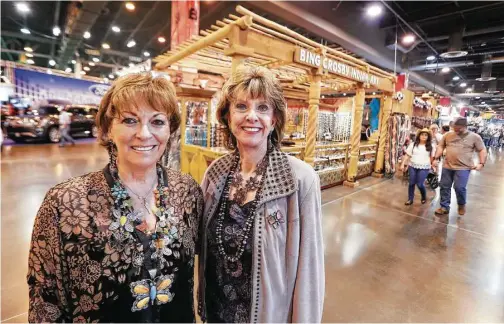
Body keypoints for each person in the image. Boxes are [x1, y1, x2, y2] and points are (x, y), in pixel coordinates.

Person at [27, 73, 203, 322]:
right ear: (108, 129)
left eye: (157, 122)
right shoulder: (65, 203)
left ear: (170, 130)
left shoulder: (187, 191)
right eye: (130, 120)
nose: (144, 133)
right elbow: (45, 303)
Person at [198, 66, 324, 323]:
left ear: (274, 119)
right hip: (216, 314)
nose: (251, 116)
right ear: (228, 116)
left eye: (263, 108)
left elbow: (310, 270)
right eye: (241, 107)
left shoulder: (299, 179)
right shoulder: (215, 173)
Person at [433, 117, 487, 216]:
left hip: (464, 168)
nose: (456, 130)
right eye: (454, 128)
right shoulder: (448, 135)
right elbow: (441, 146)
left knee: (459, 188)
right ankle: (444, 206)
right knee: (444, 187)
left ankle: (461, 204)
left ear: (465, 126)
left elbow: (482, 150)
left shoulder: (475, 137)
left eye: (458, 128)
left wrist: (481, 163)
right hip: (447, 166)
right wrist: (436, 158)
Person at [399, 128, 435, 205]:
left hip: (424, 167)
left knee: (420, 184)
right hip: (412, 166)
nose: (424, 136)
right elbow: (407, 155)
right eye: (422, 134)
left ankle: (423, 196)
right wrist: (402, 164)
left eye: (426, 135)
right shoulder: (413, 144)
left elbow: (432, 157)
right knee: (411, 183)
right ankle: (410, 199)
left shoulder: (431, 146)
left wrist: (432, 165)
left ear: (428, 137)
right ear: (419, 135)